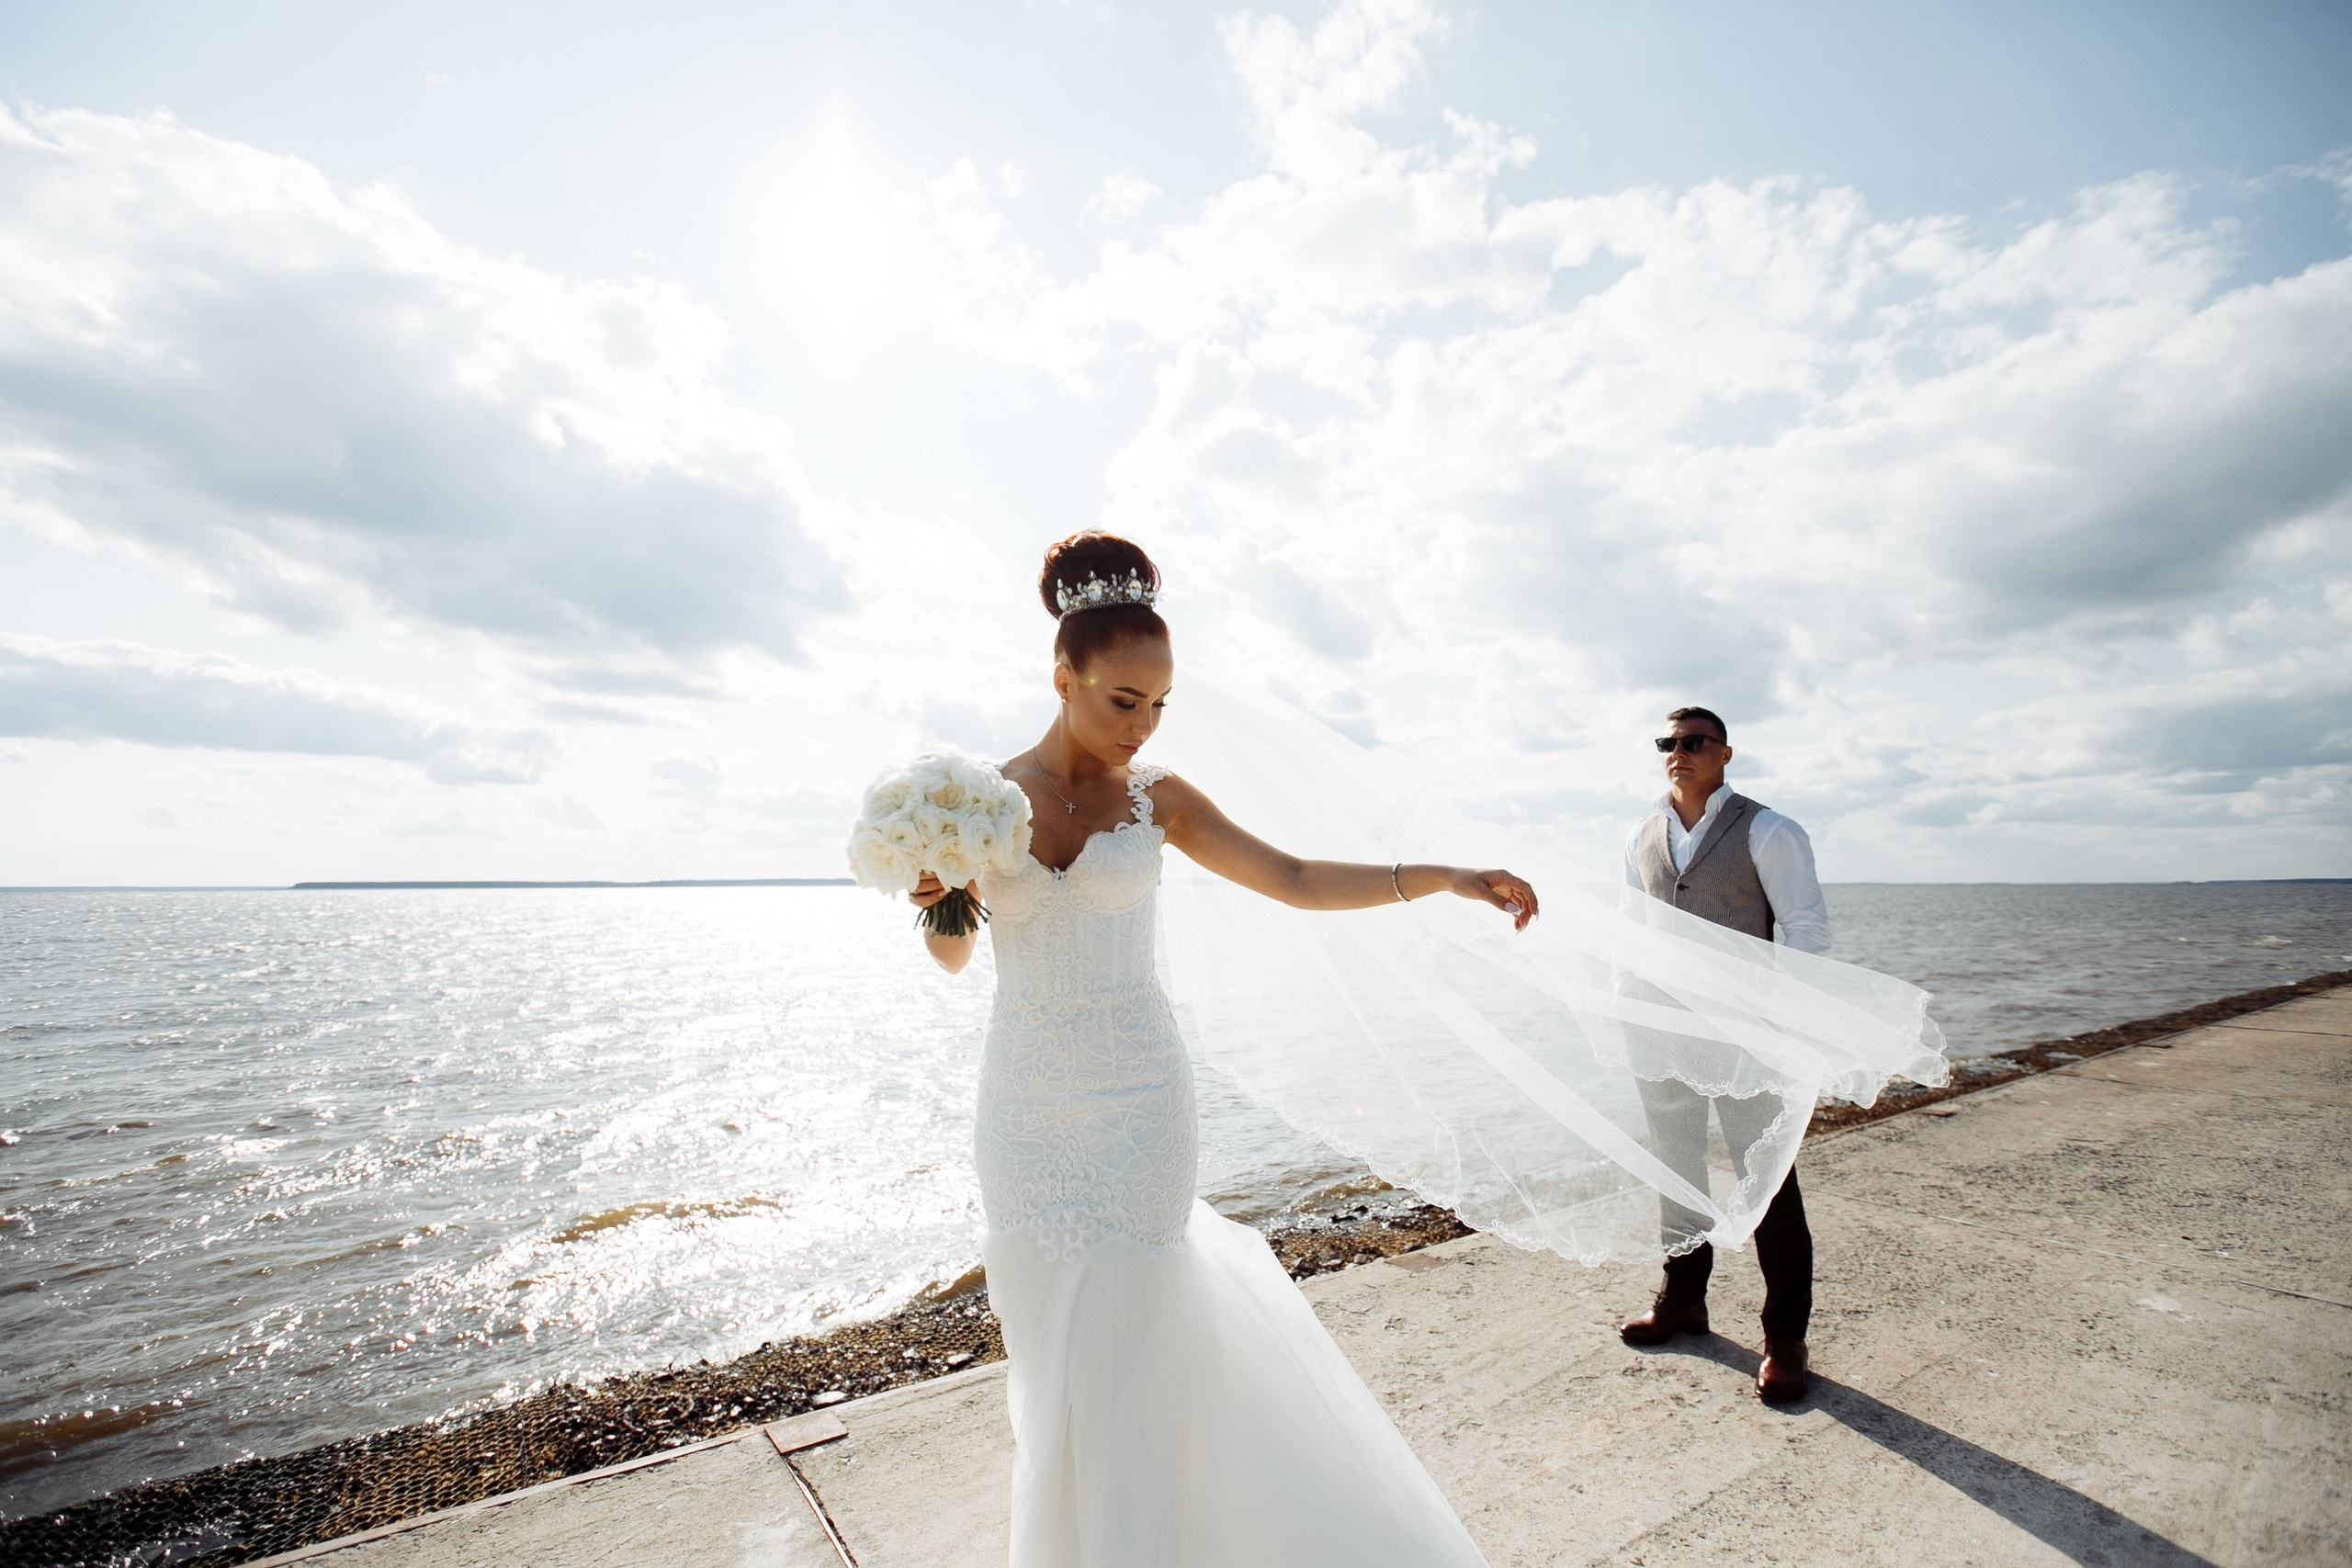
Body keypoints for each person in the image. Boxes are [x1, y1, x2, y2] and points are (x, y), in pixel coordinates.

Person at [910, 531, 1534, 1568]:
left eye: (1159, 707)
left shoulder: (1162, 801)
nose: (1141, 727)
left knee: (1132, 1343)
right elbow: (953, 959)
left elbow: (1290, 876)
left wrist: (1441, 875)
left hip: (1141, 1099)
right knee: (1052, 1352)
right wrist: (936, 902)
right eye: (1122, 702)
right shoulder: (975, 803)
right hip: (1023, 1105)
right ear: (1062, 677)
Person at [1616, 705, 1828, 1403]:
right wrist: (1629, 1011)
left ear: (1725, 753)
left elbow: (1804, 928)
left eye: (1693, 741)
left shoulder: (1768, 829)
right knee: (1675, 1170)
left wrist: (1782, 1023)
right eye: (1667, 742)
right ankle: (1684, 1300)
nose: (1678, 751)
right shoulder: (1642, 833)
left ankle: (1785, 1337)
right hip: (1661, 1032)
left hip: (1747, 1038)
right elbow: (1631, 930)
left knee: (1766, 1179)